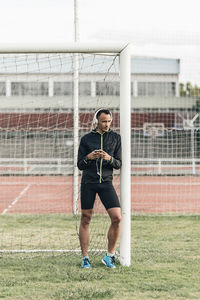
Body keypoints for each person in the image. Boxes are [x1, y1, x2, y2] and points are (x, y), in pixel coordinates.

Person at [77, 108, 122, 268]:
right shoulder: (87, 139)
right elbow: (79, 164)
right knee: (86, 218)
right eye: (104, 121)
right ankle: (85, 258)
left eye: (109, 121)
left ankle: (109, 256)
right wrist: (89, 157)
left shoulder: (116, 138)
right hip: (88, 183)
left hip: (106, 184)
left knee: (117, 217)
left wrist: (109, 158)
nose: (107, 124)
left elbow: (119, 164)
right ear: (97, 121)